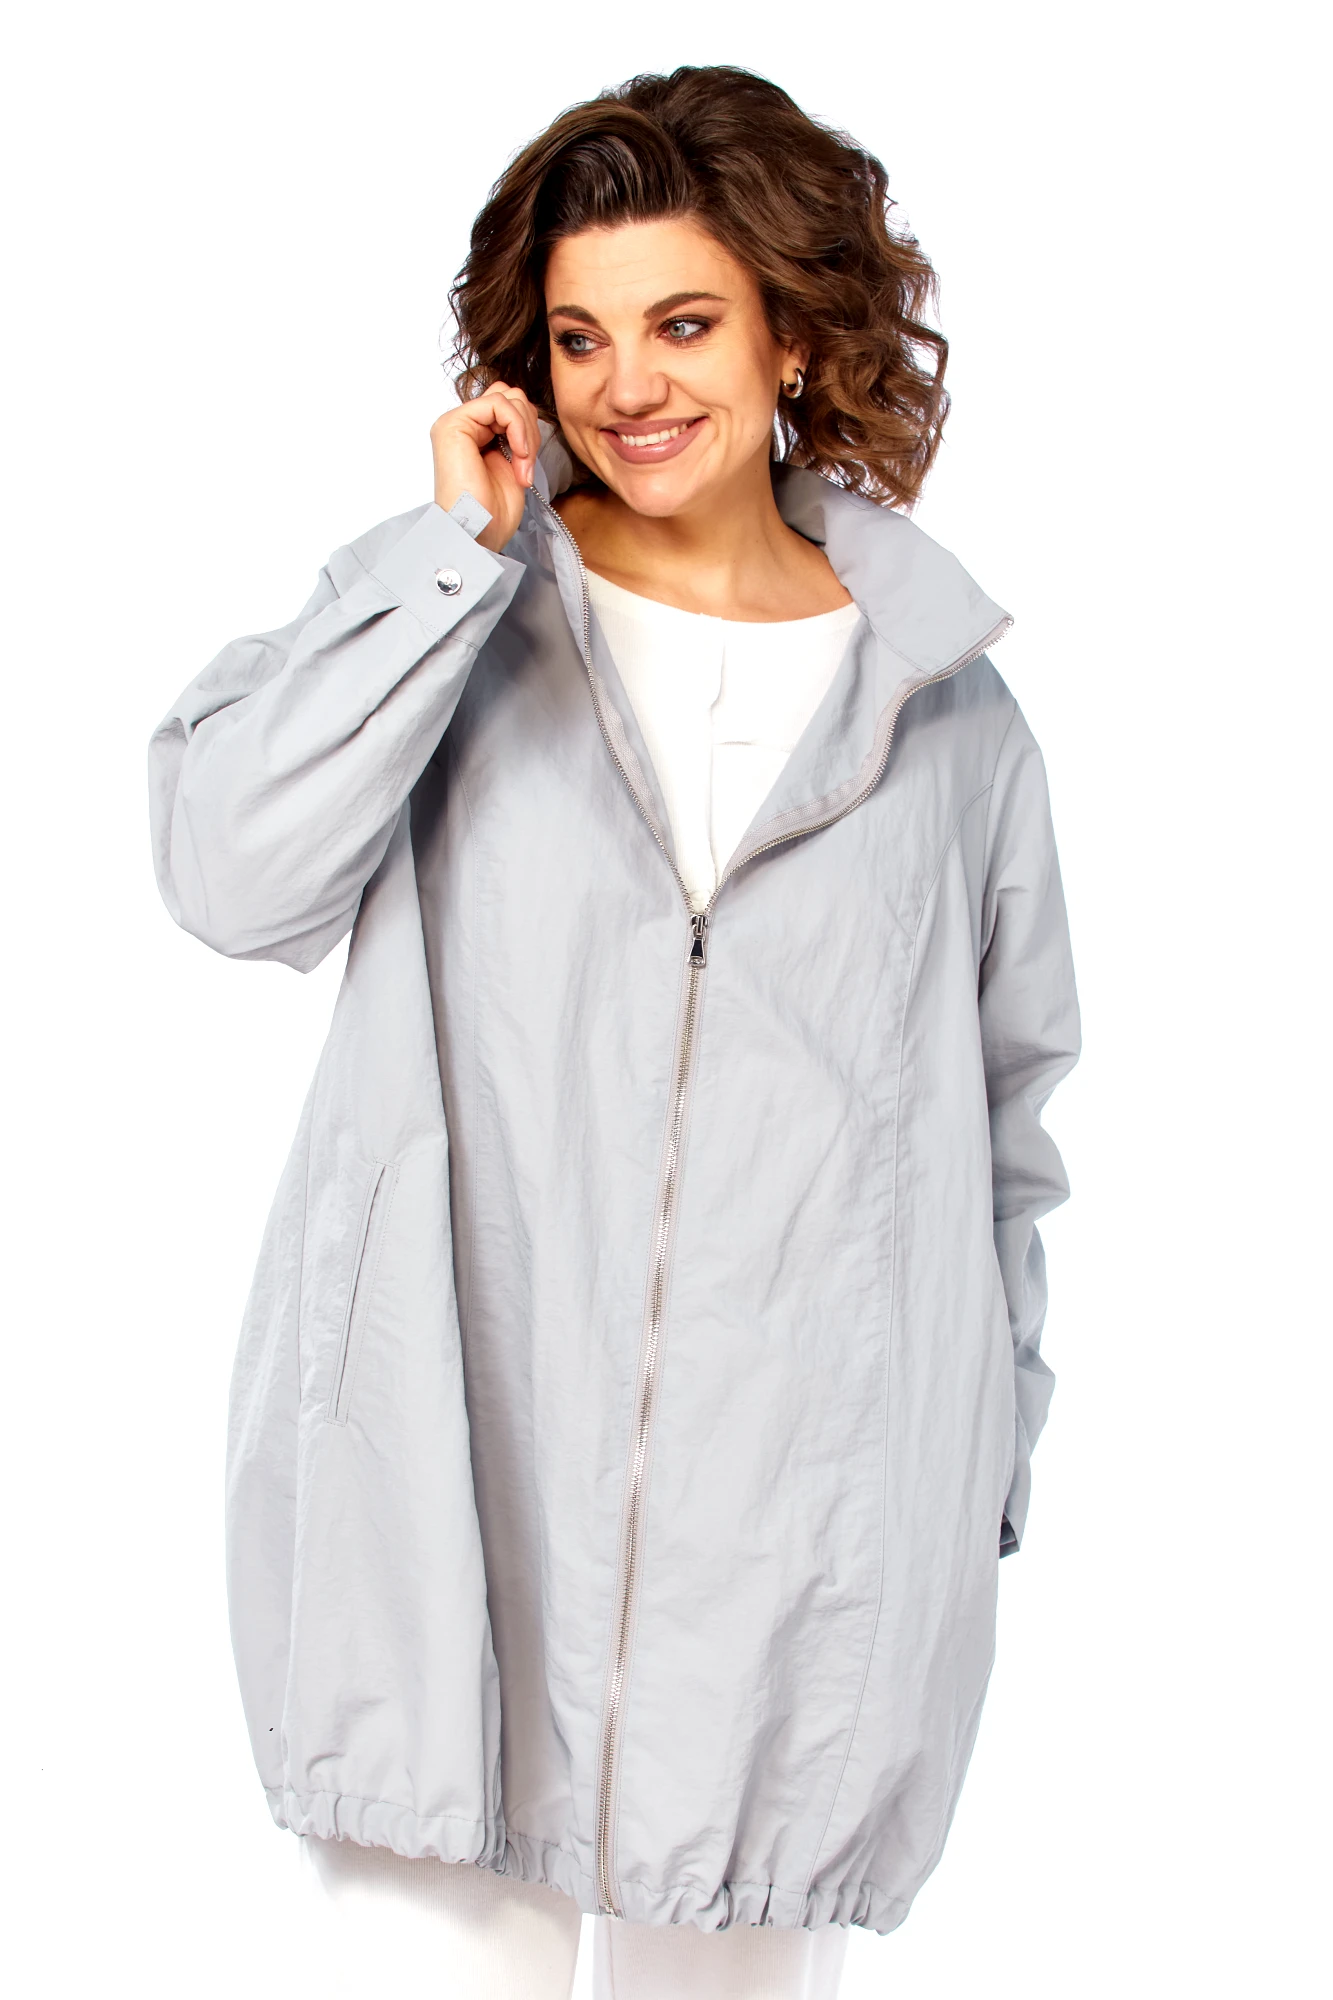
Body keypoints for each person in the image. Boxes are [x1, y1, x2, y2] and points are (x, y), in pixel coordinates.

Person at [148, 63, 1081, 2000]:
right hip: (446, 1509)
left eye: (683, 324)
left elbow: (1003, 1132)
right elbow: (230, 875)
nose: (627, 386)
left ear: (796, 334)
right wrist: (447, 563)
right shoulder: (457, 617)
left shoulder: (948, 717)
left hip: (793, 1563)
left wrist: (973, 1462)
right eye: (578, 337)